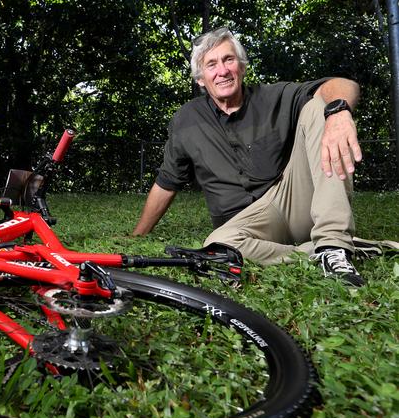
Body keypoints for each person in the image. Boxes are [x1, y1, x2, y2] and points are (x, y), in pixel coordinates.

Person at [133, 26, 378, 286]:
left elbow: (342, 85)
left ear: (242, 67)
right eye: (211, 64)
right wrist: (138, 235)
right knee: (218, 246)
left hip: (292, 199)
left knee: (320, 107)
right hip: (244, 224)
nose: (223, 70)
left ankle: (333, 245)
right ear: (201, 79)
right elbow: (167, 182)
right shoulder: (186, 120)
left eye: (229, 60)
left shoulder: (274, 96)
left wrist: (339, 111)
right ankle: (318, 254)